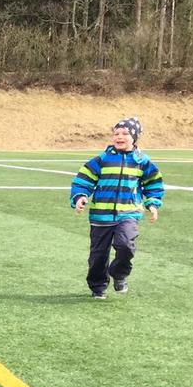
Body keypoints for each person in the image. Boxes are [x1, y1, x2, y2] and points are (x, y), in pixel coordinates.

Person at [70, 117, 164, 299]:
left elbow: (153, 184)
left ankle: (119, 275)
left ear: (134, 137)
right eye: (116, 133)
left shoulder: (142, 161)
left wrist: (152, 204)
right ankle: (98, 287)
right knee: (98, 255)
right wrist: (80, 196)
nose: (119, 137)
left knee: (126, 246)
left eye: (125, 133)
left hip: (129, 214)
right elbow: (83, 179)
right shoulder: (102, 159)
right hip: (101, 216)